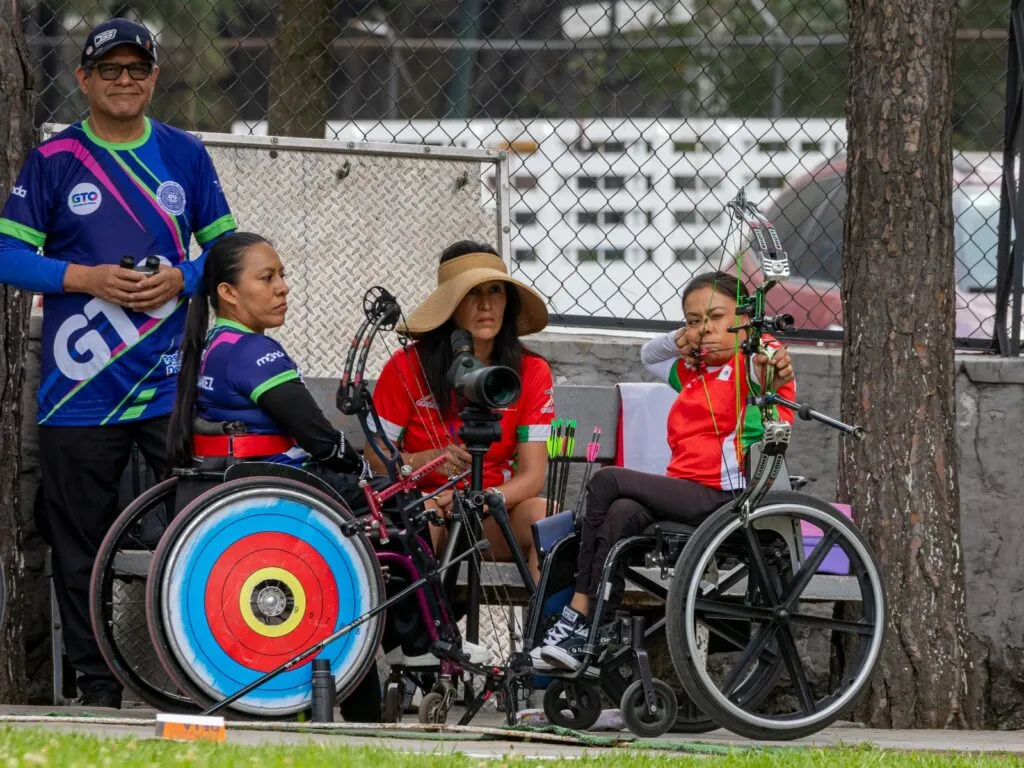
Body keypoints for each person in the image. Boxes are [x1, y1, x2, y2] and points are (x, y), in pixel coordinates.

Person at [0, 18, 236, 707]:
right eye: (110, 70)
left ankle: (205, 677)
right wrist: (85, 278)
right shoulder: (55, 159)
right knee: (78, 546)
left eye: (137, 69)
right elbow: (8, 255)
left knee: (200, 533)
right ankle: (97, 686)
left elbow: (229, 252)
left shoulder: (185, 153)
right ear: (84, 79)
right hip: (77, 394)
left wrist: (183, 279)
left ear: (155, 78)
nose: (124, 81)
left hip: (171, 389)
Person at [165, 231, 387, 720]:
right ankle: (412, 650)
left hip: (232, 491)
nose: (283, 287)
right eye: (266, 278)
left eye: (282, 275)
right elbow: (318, 437)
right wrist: (360, 465)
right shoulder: (252, 353)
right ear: (228, 292)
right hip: (276, 497)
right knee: (397, 509)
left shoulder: (212, 345)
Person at [533, 271, 797, 672]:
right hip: (686, 493)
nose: (705, 329)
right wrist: (683, 337)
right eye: (694, 320)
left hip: (727, 495)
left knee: (606, 480)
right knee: (620, 512)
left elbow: (770, 363)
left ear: (745, 317)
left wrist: (770, 359)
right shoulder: (695, 373)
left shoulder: (751, 364)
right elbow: (649, 355)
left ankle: (578, 610)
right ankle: (596, 631)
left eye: (716, 317)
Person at [368, 241, 555, 582]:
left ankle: (548, 620)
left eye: (495, 291)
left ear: (508, 301)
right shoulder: (406, 365)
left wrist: (480, 499)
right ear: (449, 304)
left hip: (493, 513)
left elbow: (533, 475)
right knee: (419, 517)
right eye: (472, 293)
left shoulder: (532, 370)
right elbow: (375, 456)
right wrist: (423, 462)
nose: (486, 304)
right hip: (429, 507)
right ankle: (429, 618)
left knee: (549, 519)